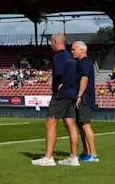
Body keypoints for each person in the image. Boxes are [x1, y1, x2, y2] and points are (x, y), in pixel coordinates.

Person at [33, 33, 81, 167]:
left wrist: (60, 85)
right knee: (70, 123)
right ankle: (73, 157)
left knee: (50, 122)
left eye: (51, 42)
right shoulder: (71, 57)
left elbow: (59, 74)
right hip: (72, 93)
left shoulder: (58, 56)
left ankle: (48, 157)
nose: (50, 45)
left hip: (62, 93)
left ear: (55, 41)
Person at [72, 41, 99, 162]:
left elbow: (85, 78)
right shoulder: (81, 63)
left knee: (85, 124)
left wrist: (79, 96)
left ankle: (93, 154)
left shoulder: (85, 62)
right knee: (80, 124)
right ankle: (85, 151)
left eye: (74, 49)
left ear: (81, 50)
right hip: (82, 97)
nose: (72, 52)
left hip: (85, 97)